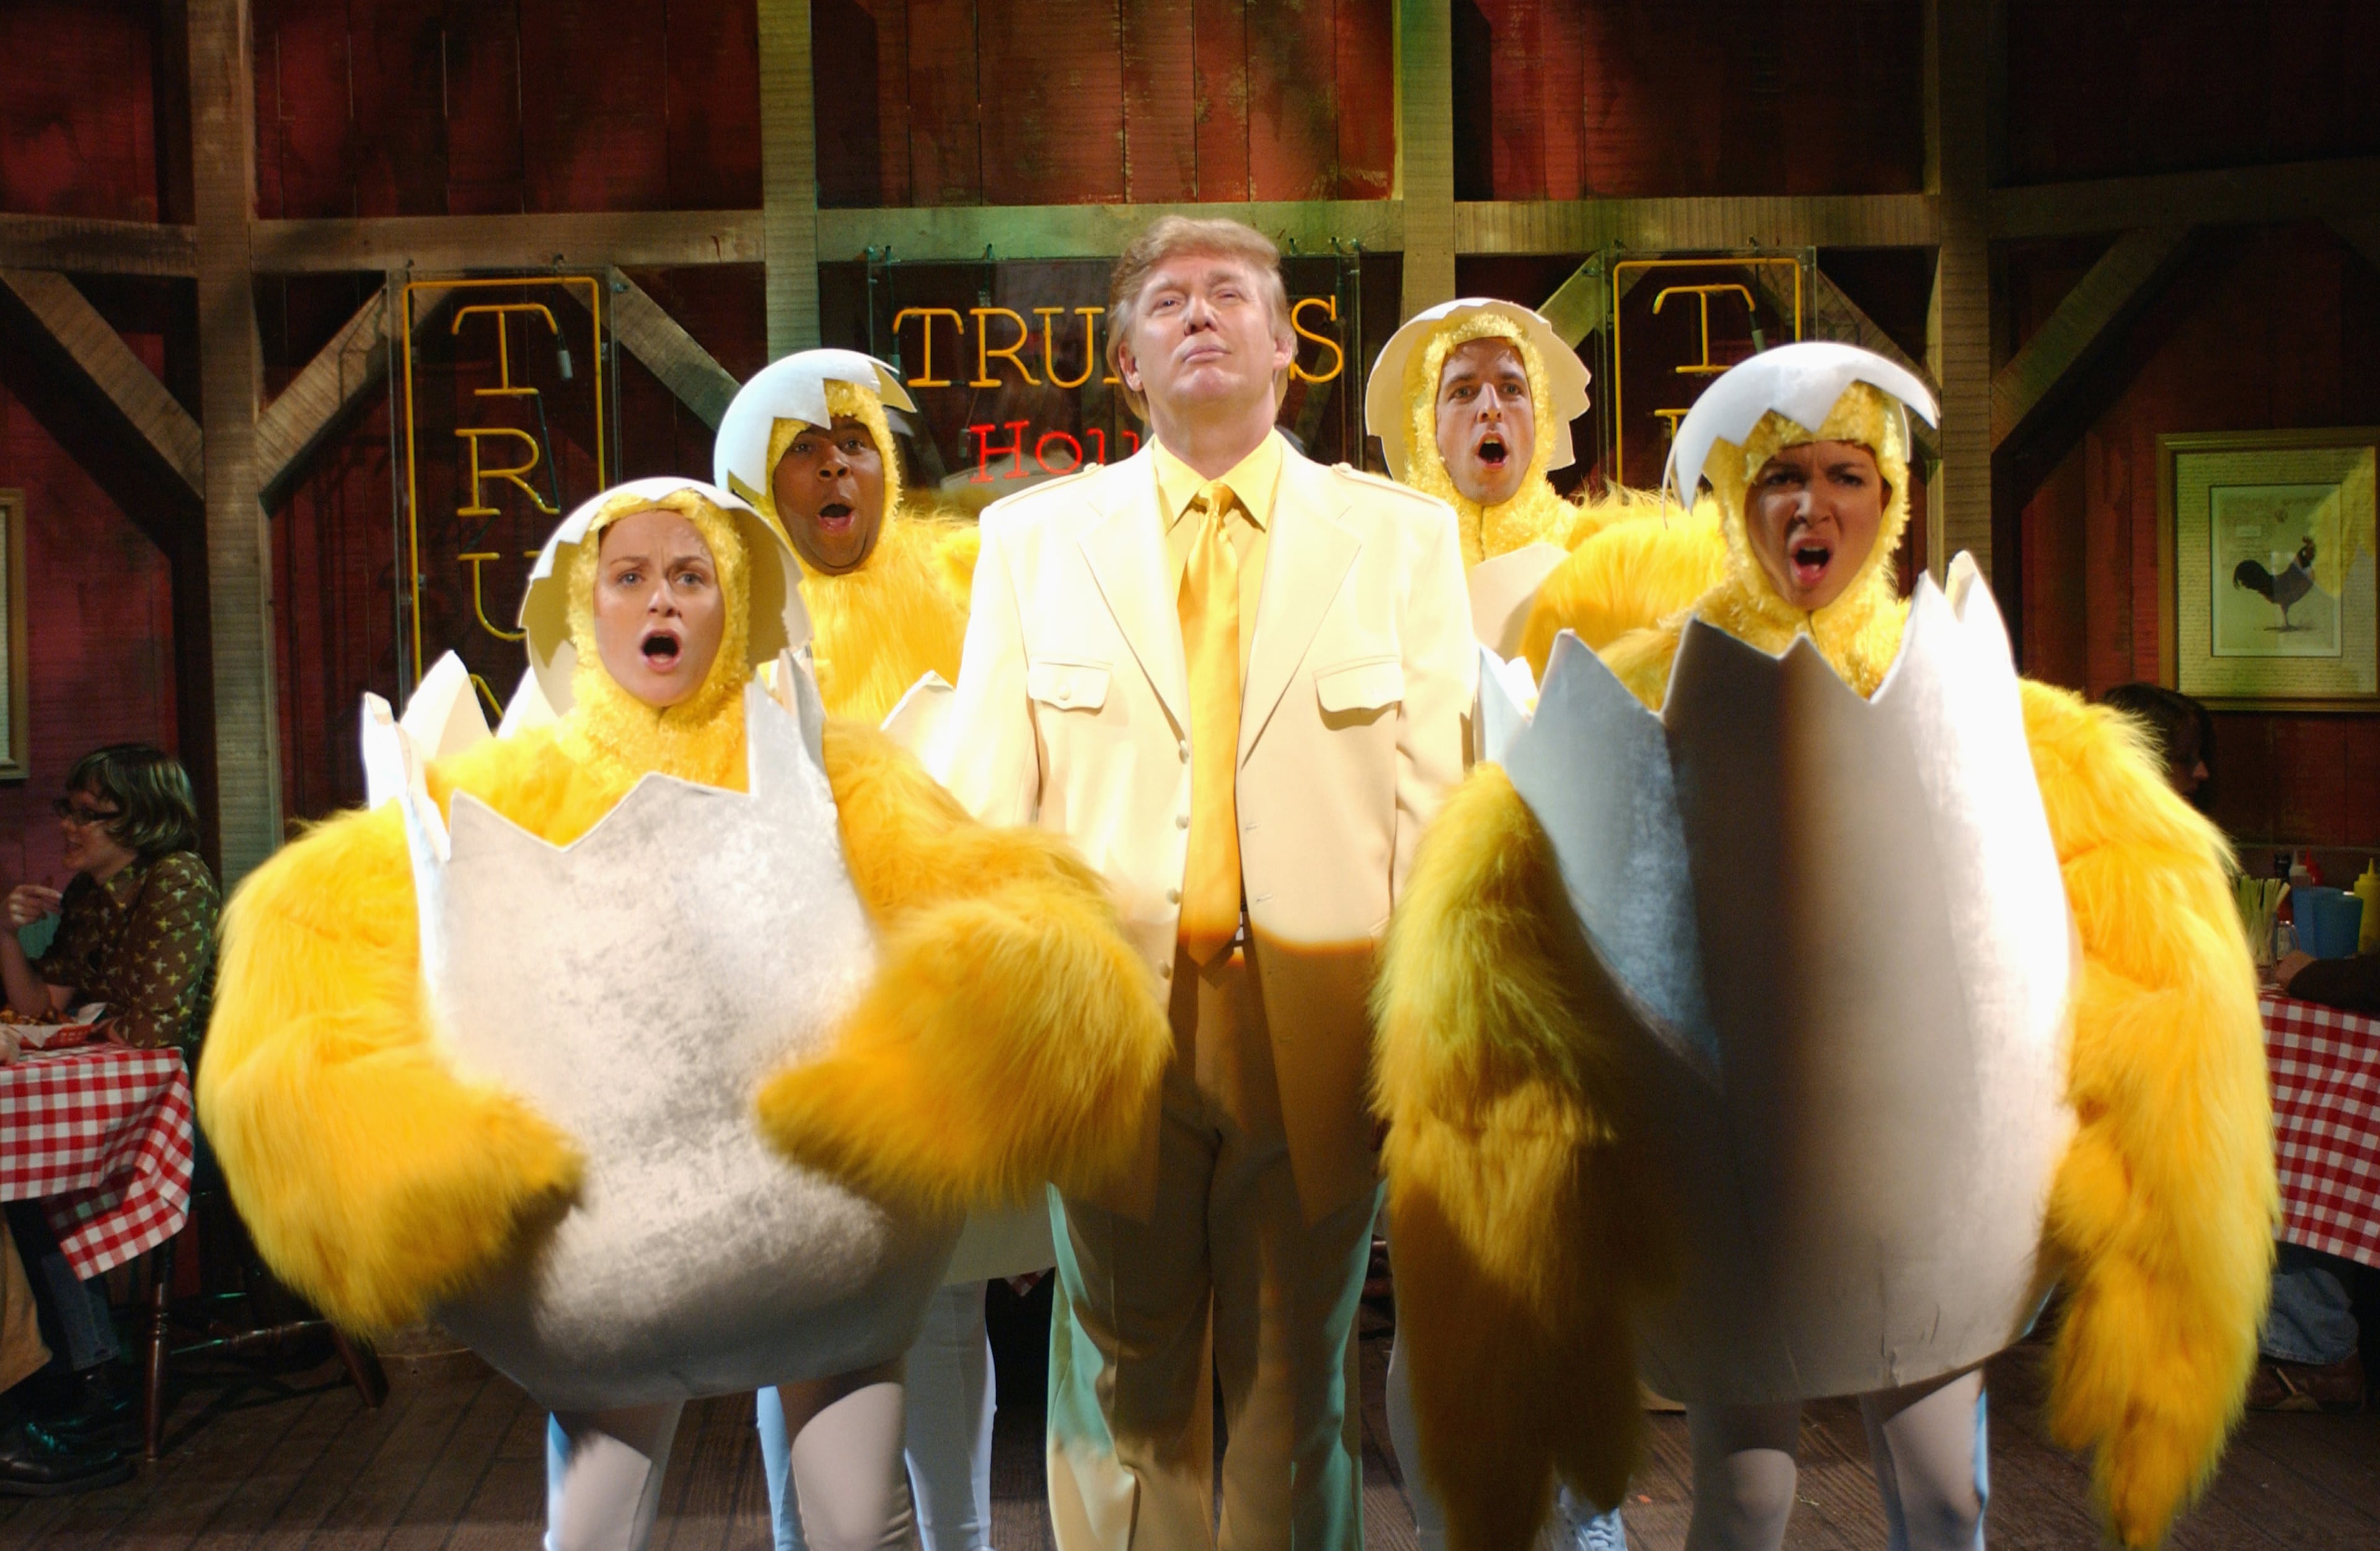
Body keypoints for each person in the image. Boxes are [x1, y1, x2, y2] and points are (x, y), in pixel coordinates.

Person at [1378, 342, 2273, 1551]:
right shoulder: (1643, 689)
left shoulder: (1999, 710)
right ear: (1738, 497)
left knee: (1946, 1495)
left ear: (1891, 497)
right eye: (1782, 475)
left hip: (1935, 1182)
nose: (1814, 505)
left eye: (1848, 474)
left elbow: (2150, 961)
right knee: (1746, 1498)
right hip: (1736, 1183)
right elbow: (1507, 921)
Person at [200, 479, 1168, 1551]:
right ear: (586, 608)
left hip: (830, 1241)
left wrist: (936, 1063)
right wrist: (413, 1153)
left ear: (733, 605)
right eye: (631, 576)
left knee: (860, 1520)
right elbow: (314, 948)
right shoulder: (502, 787)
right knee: (597, 1518)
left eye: (691, 575)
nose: (661, 599)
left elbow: (1000, 901)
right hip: (600, 1258)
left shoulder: (835, 769)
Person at [938, 214, 1473, 1551]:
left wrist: (1429, 1044)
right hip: (1114, 1030)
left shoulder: (1402, 543)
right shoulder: (1030, 545)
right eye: (1167, 301)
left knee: (1297, 1393)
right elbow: (989, 815)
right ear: (1125, 364)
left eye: (1230, 294)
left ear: (1289, 348)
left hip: (1327, 1019)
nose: (1199, 316)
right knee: (1123, 1392)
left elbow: (1437, 811)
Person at [1362, 298, 1662, 1551]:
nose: (1490, 410)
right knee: (1437, 1295)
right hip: (1415, 981)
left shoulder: (1615, 570)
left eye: (1509, 387)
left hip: (1575, 974)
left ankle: (1586, 1532)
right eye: (1463, 390)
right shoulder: (1377, 575)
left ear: (1546, 415)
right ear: (1426, 423)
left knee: (1569, 1286)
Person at [713, 350, 1013, 1551]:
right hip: (782, 1055)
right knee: (801, 1336)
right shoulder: (718, 614)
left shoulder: (971, 593)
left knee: (946, 1318)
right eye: (806, 447)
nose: (838, 466)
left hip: (935, 1043)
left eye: (856, 444)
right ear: (756, 473)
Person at [2, 743, 218, 1053]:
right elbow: (40, 1008)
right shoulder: (86, 889)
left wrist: (89, 1026)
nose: (66, 825)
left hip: (194, 1083)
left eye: (86, 814)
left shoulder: (178, 877)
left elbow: (152, 1031)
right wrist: (5, 933)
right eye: (69, 810)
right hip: (126, 1073)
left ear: (142, 820)